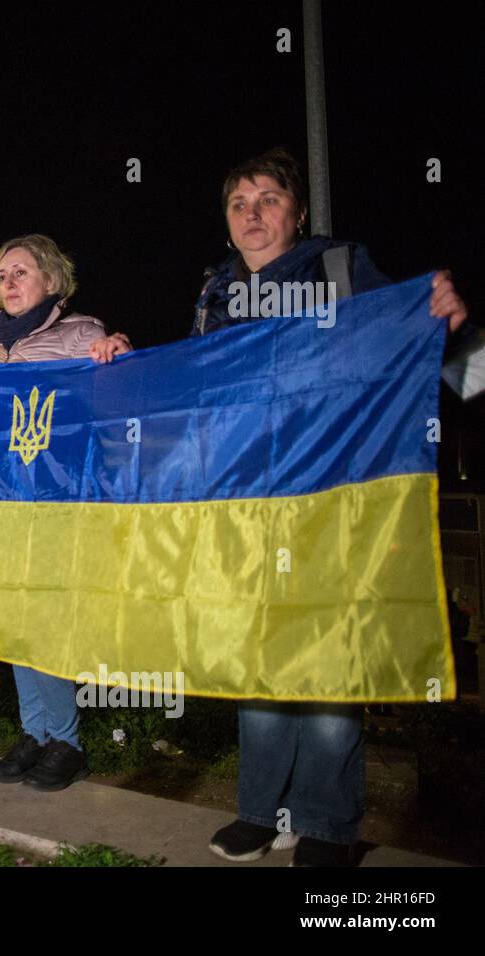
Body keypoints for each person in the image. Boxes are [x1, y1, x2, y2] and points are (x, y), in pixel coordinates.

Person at [170, 148, 468, 868]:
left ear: (297, 214)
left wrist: (444, 322)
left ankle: (329, 824)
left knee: (329, 654)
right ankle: (262, 813)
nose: (253, 214)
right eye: (239, 203)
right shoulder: (214, 290)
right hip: (243, 503)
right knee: (259, 656)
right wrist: (120, 362)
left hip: (331, 495)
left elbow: (410, 337)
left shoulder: (339, 267)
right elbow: (192, 389)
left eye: (269, 199)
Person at [0, 234, 132, 791]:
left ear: (52, 281)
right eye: (2, 274)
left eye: (21, 272)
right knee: (16, 616)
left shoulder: (81, 333)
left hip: (57, 499)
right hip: (3, 500)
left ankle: (66, 740)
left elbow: (111, 404)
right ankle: (34, 733)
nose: (8, 283)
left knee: (46, 618)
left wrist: (117, 361)